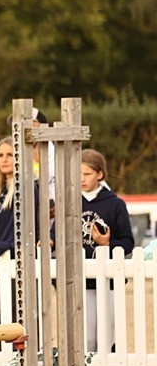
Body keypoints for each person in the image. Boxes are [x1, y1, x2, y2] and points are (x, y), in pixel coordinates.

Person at [80, 149, 134, 354]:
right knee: (87, 338)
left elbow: (128, 241)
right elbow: (56, 234)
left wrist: (106, 244)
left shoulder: (115, 204)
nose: (82, 179)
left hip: (110, 280)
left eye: (87, 174)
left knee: (108, 336)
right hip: (82, 280)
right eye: (78, 174)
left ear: (100, 174)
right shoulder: (70, 203)